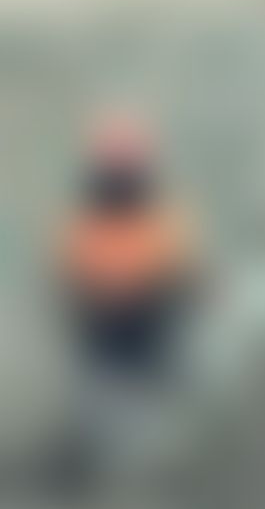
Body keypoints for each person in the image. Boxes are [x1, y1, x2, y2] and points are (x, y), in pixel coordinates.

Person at [54, 110, 198, 485]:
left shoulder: (159, 214)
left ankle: (143, 464)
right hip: (109, 322)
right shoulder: (89, 214)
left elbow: (181, 271)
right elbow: (70, 270)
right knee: (110, 397)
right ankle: (116, 464)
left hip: (142, 320)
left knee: (142, 396)